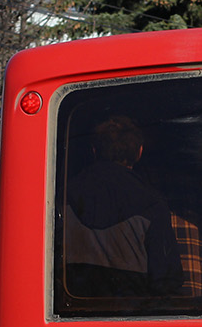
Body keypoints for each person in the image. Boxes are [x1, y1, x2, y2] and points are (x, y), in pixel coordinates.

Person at [63, 116, 184, 297]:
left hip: (71, 312)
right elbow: (166, 279)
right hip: (130, 315)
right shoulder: (152, 202)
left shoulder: (62, 195)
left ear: (94, 150)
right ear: (139, 152)